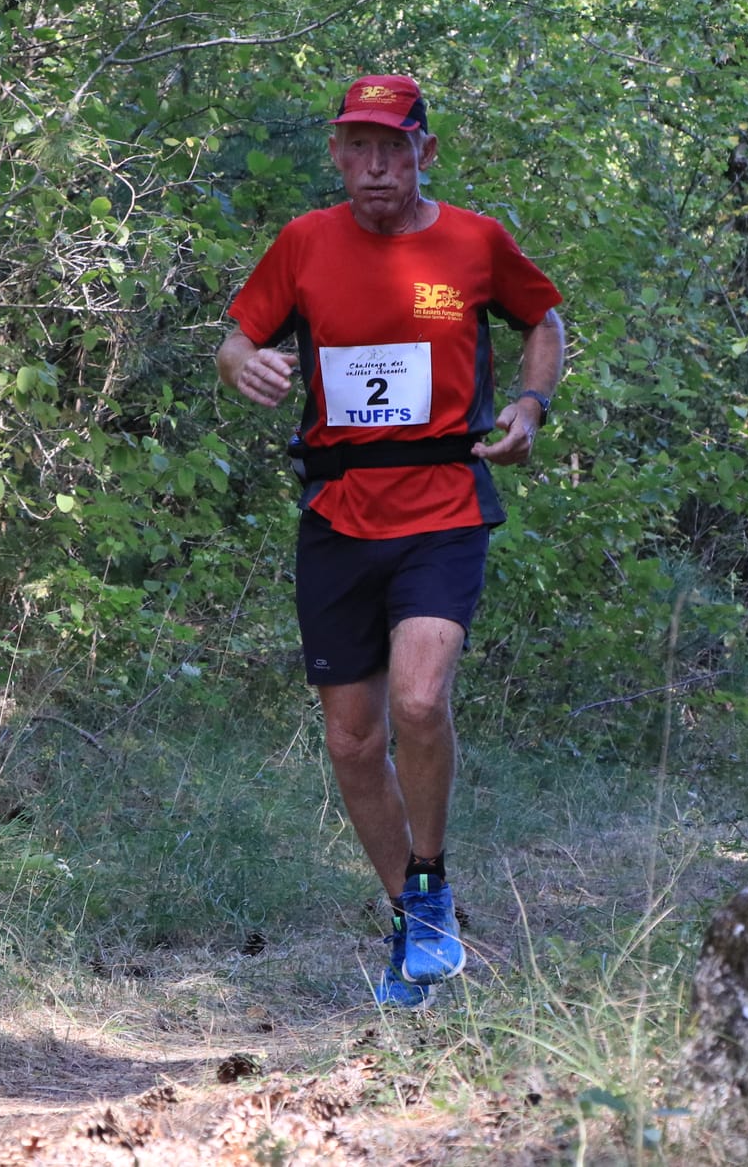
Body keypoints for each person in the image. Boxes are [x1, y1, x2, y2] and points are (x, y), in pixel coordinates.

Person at [217, 74, 566, 1008]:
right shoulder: (304, 242)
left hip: (445, 501)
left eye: (392, 148)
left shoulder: (474, 241)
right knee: (350, 736)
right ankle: (418, 916)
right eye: (357, 148)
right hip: (339, 511)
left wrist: (530, 406)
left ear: (424, 152)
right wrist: (247, 362)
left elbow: (544, 319)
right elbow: (233, 338)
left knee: (418, 698)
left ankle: (429, 873)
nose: (375, 167)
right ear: (336, 154)